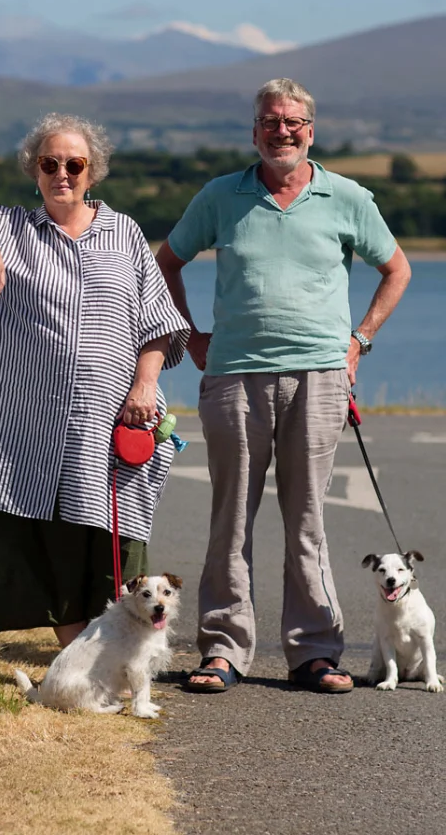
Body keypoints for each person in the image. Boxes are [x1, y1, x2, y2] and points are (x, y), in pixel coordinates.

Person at [156, 78, 411, 693]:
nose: (282, 131)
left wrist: (359, 341)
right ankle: (222, 651)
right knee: (230, 518)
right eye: (271, 121)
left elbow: (397, 268)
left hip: (320, 375)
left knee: (307, 520)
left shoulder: (346, 197)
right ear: (255, 131)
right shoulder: (221, 196)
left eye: (293, 121)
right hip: (234, 376)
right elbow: (165, 262)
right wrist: (190, 337)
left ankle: (316, 652)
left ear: (310, 130)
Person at [0, 113, 191, 648]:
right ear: (34, 170)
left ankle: (121, 651)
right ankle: (78, 653)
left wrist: (145, 386)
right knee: (46, 542)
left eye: (75, 164)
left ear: (93, 172)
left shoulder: (125, 234)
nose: (62, 174)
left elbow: (159, 324)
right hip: (26, 425)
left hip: (114, 418)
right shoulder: (6, 226)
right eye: (50, 163)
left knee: (111, 542)